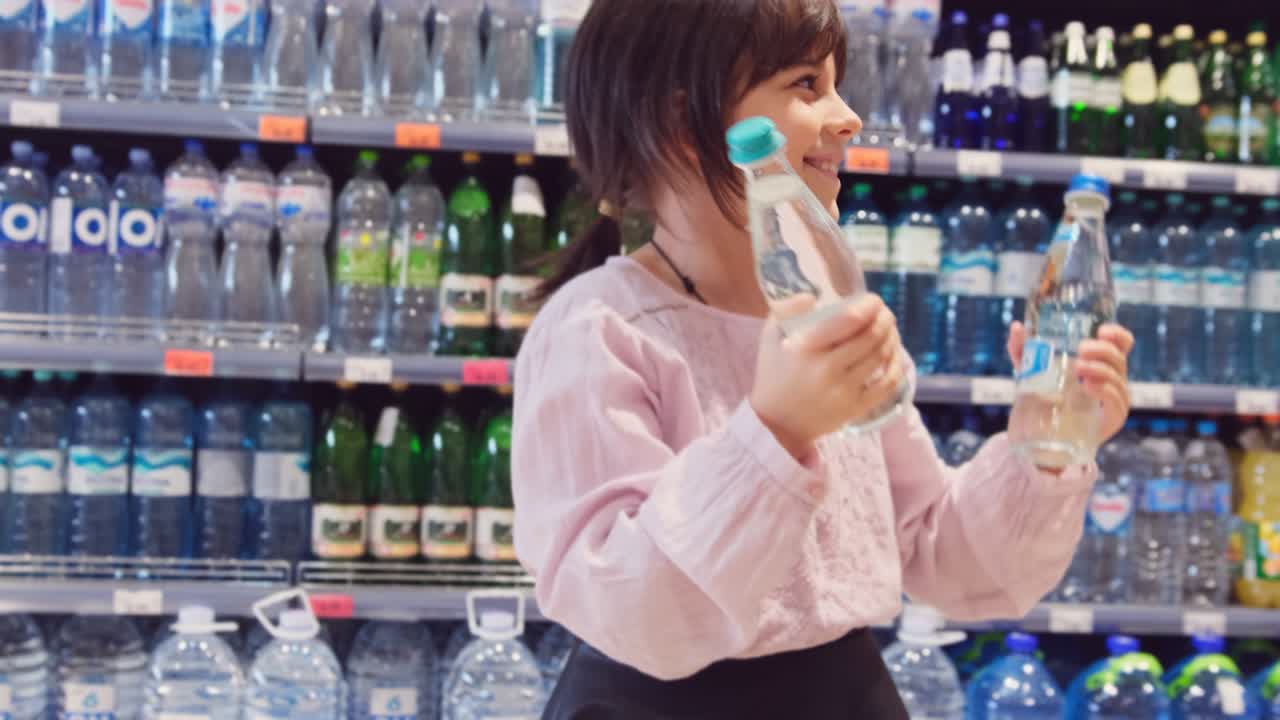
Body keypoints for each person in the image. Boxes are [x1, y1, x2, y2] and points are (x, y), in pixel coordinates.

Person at [512, 1, 1134, 717]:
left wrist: (1043, 441)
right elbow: (633, 610)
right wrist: (774, 430)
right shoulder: (597, 328)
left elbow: (937, 553)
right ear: (685, 124)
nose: (848, 118)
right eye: (807, 85)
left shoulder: (833, 312)